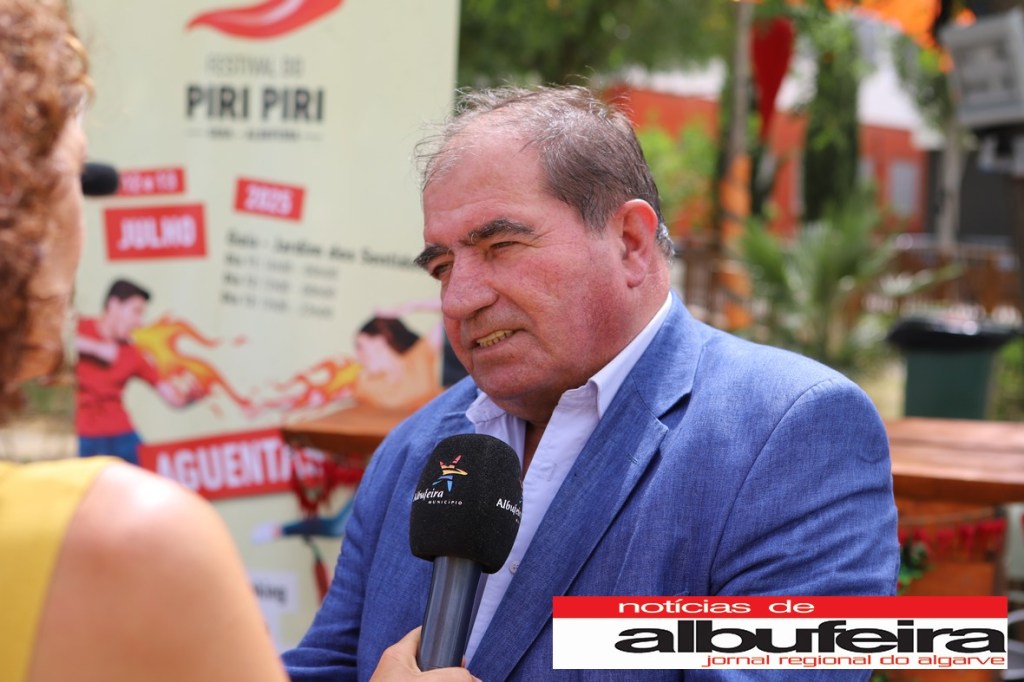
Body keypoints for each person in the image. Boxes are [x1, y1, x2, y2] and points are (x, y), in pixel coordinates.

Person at [282, 86, 900, 680]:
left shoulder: (793, 433)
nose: (459, 299)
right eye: (443, 266)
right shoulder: (416, 448)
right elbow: (328, 665)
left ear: (630, 242)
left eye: (501, 245)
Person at [0, 2, 287, 680]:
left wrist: (193, 386)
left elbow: (165, 388)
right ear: (23, 209)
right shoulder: (134, 541)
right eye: (77, 173)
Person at [75, 278, 201, 463]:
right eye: (136, 311)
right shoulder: (80, 328)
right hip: (82, 437)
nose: (139, 322)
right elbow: (53, 342)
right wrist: (96, 348)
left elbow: (172, 397)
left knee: (148, 472)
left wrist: (189, 397)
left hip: (122, 435)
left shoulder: (133, 354)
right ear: (114, 305)